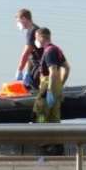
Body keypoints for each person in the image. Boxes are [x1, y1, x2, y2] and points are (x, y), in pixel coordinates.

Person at [33, 27, 70, 156]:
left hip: (48, 84)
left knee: (41, 113)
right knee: (55, 117)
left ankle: (43, 144)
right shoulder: (57, 49)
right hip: (56, 85)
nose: (35, 41)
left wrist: (49, 90)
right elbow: (67, 68)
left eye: (36, 37)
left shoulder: (49, 52)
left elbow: (53, 71)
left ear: (42, 37)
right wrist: (61, 83)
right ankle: (59, 146)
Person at [13, 8, 42, 89]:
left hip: (40, 64)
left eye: (18, 21)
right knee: (27, 86)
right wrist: (27, 71)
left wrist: (19, 69)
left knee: (34, 86)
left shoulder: (33, 30)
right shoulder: (31, 30)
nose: (17, 24)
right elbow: (30, 54)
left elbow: (26, 52)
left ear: (24, 19)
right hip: (35, 63)